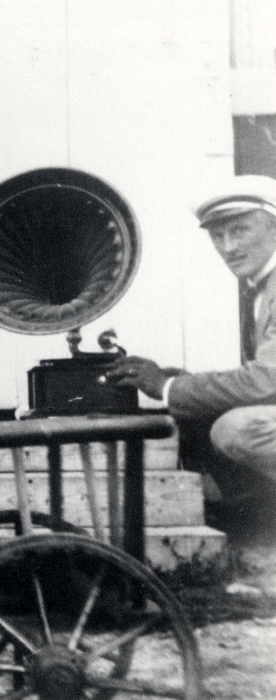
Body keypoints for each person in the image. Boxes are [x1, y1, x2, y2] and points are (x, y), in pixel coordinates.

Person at [106, 174, 276, 509]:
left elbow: (267, 380)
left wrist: (169, 387)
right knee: (199, 408)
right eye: (218, 235)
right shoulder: (262, 283)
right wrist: (182, 383)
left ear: (274, 226)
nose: (228, 247)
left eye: (240, 230)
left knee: (237, 429)